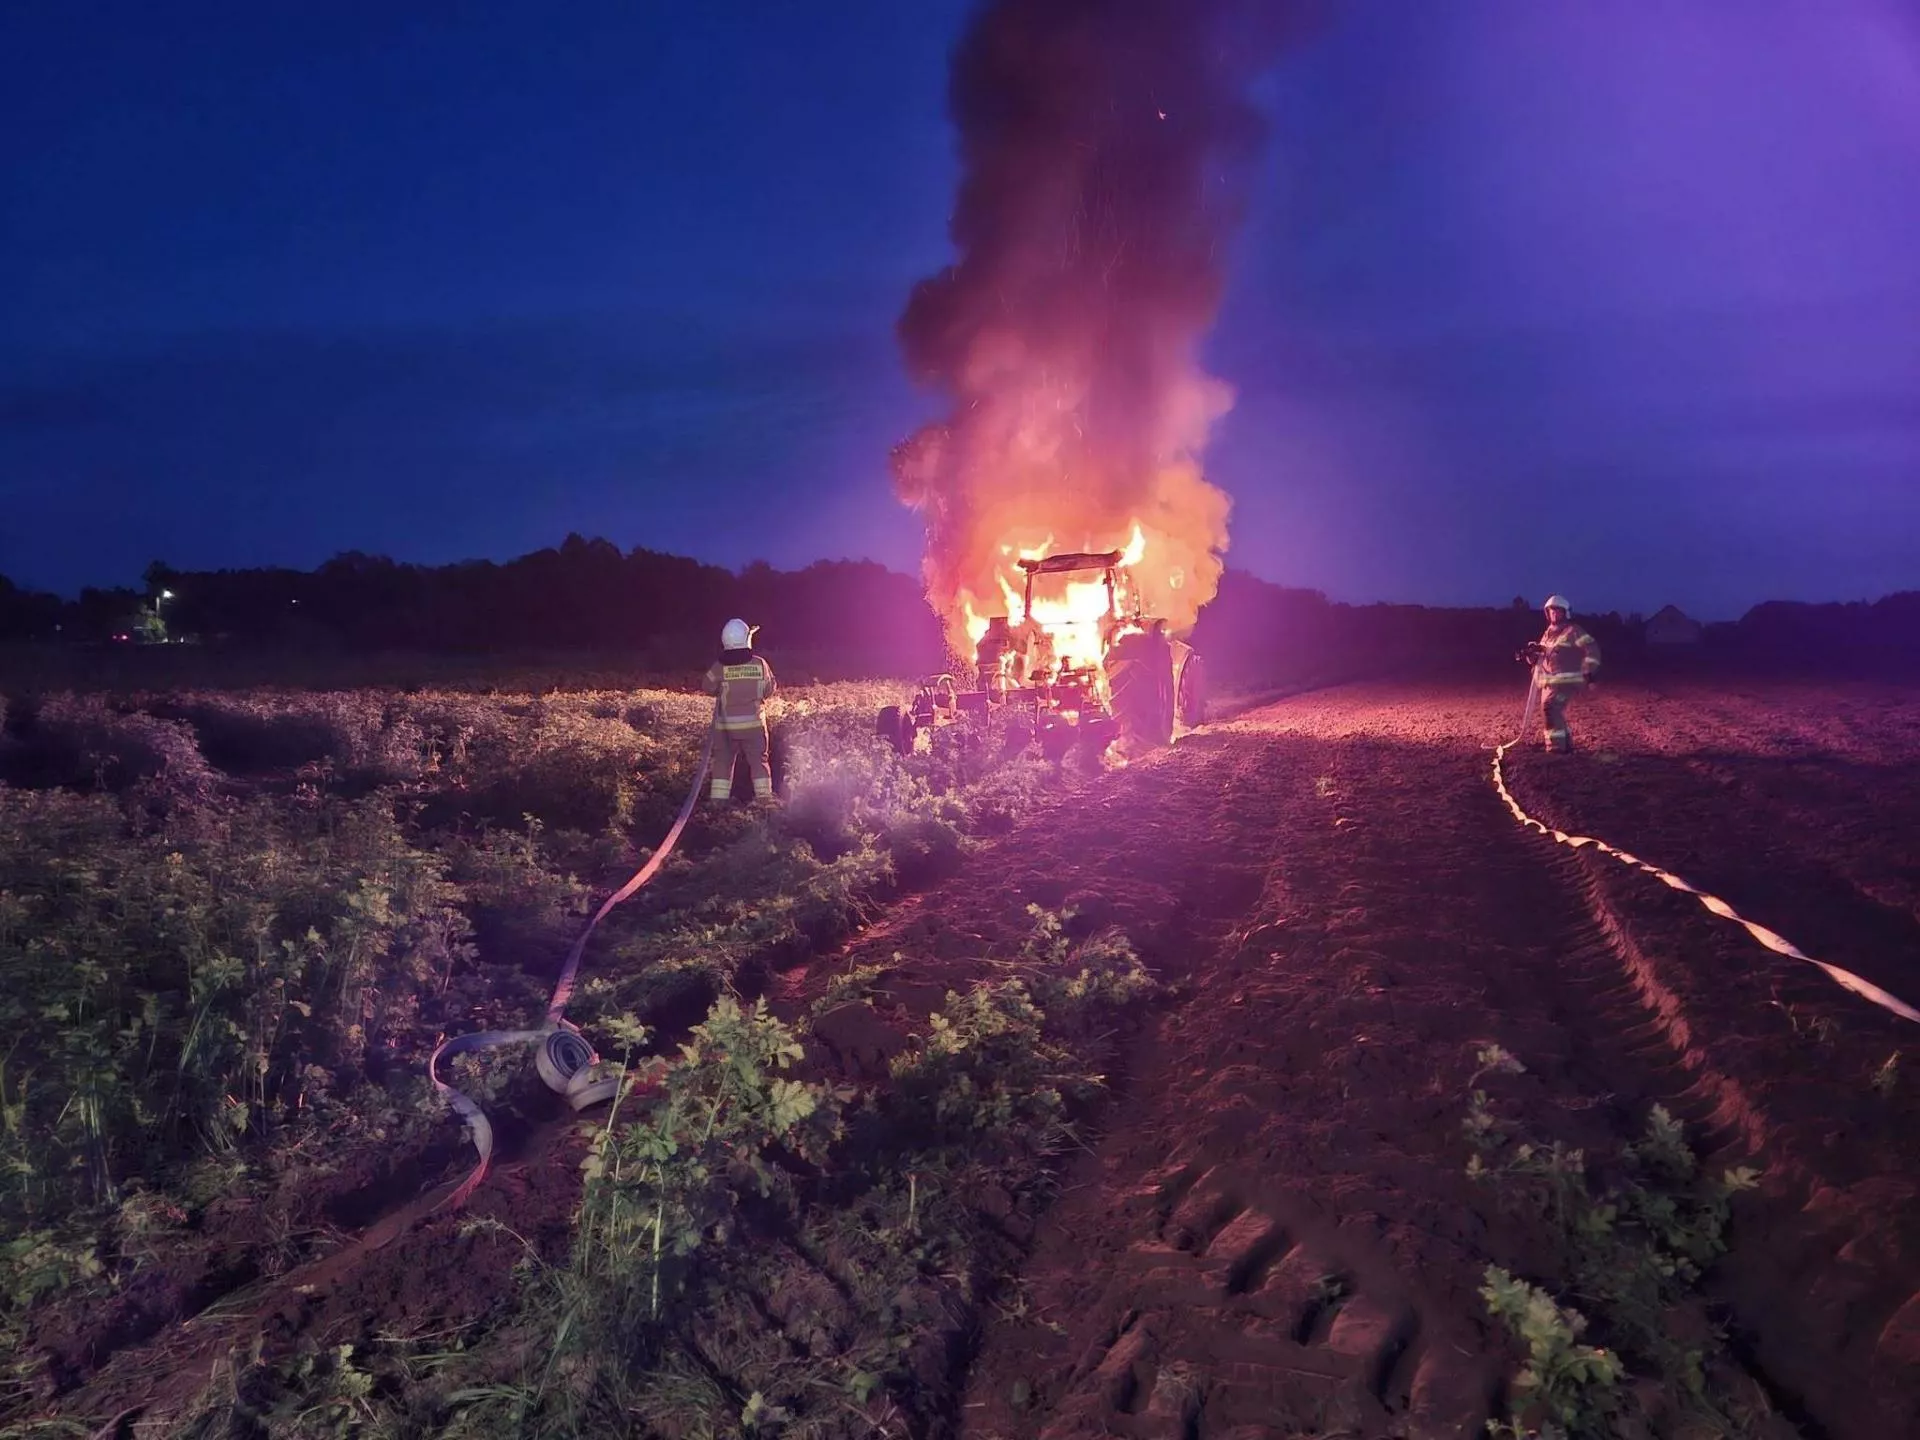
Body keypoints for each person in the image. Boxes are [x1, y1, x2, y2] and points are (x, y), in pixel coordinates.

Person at [701, 618, 777, 802]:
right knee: (759, 763)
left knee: (722, 763)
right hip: (754, 726)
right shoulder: (760, 664)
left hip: (726, 727)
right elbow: (770, 688)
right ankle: (765, 802)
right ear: (746, 639)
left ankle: (718, 805)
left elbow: (706, 686)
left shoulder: (719, 667)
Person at [1520, 594, 1601, 753]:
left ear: (1566, 613)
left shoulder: (1574, 631)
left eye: (1558, 611)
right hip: (1549, 682)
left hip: (1567, 682)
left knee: (1550, 708)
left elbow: (1592, 649)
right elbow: (1542, 657)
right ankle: (1567, 745)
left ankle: (1556, 748)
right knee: (1554, 711)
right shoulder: (1548, 633)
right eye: (1551, 611)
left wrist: (1589, 671)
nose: (1554, 614)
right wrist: (1531, 655)